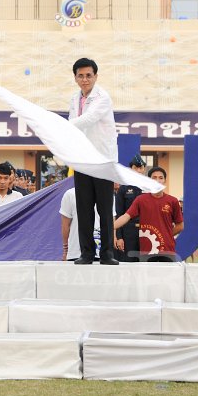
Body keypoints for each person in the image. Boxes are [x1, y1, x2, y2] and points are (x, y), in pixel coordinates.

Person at [67, 57, 119, 265]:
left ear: (96, 76)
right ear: (75, 78)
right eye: (81, 75)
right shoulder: (73, 98)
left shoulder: (102, 97)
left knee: (105, 210)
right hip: (82, 160)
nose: (85, 79)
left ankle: (107, 254)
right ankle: (87, 253)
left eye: (89, 75)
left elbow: (88, 119)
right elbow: (76, 126)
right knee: (84, 208)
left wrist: (64, 126)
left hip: (102, 161)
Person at [113, 167, 184, 261]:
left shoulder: (173, 201)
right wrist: (109, 228)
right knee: (147, 275)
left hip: (167, 250)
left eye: (161, 178)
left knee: (168, 276)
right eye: (154, 178)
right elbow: (126, 217)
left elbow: (180, 226)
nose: (157, 180)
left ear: (165, 181)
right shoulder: (141, 200)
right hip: (147, 250)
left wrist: (165, 235)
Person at [60, 186, 113, 262]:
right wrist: (66, 251)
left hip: (102, 252)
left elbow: (111, 223)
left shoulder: (108, 195)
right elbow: (65, 225)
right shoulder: (70, 194)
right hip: (76, 252)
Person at [114, 154, 147, 262]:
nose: (138, 170)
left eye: (140, 167)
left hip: (147, 230)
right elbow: (119, 214)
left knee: (146, 263)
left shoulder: (149, 187)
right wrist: (119, 237)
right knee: (129, 263)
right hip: (129, 232)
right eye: (135, 167)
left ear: (144, 169)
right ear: (131, 169)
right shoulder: (124, 188)